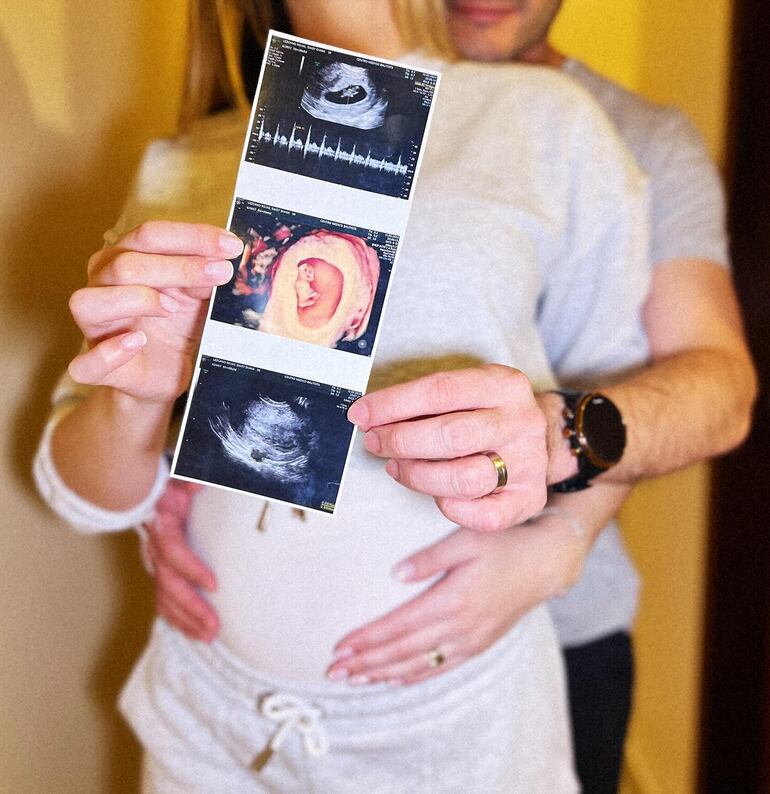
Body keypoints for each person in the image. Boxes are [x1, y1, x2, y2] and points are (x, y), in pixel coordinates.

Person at [34, 0, 662, 789]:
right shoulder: (185, 159)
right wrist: (134, 401)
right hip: (212, 726)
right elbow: (84, 495)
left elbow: (616, 392)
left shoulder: (545, 123)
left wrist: (557, 548)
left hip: (457, 734)